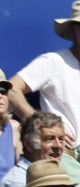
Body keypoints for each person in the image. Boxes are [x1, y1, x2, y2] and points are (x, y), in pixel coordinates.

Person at [9, 3, 80, 142]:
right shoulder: (54, 61)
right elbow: (10, 90)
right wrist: (40, 124)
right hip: (67, 155)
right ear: (72, 29)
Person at [0, 112, 80, 187]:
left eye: (61, 139)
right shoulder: (17, 183)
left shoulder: (54, 173)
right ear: (28, 144)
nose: (58, 146)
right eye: (49, 139)